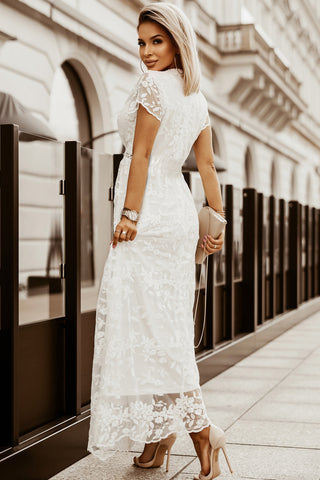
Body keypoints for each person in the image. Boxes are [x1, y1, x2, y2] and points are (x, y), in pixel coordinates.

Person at [87, 3, 233, 479]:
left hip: (149, 215)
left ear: (176, 42)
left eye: (157, 41)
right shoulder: (197, 96)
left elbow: (143, 155)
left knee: (147, 329)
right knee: (162, 328)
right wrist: (218, 222)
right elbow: (207, 167)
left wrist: (129, 215)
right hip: (178, 212)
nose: (147, 53)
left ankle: (199, 429)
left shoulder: (154, 86)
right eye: (142, 43)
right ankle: (159, 436)